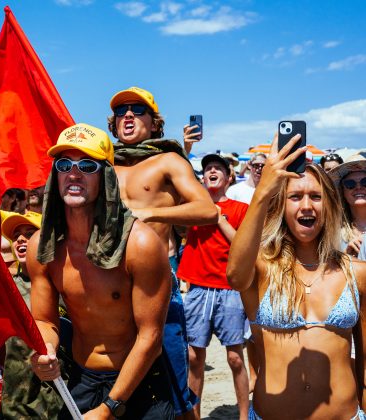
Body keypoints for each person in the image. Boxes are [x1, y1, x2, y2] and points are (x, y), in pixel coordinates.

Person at [29, 123, 174, 418]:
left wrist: (110, 407)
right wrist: (46, 349)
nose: (73, 173)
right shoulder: (42, 247)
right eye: (64, 164)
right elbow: (45, 319)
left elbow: (150, 337)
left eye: (86, 165)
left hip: (140, 382)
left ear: (106, 177)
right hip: (82, 379)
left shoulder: (141, 244)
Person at [227, 134, 366, 419]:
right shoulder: (262, 269)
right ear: (281, 206)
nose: (306, 206)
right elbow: (234, 277)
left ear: (329, 206)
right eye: (295, 196)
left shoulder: (356, 272)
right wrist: (263, 190)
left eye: (316, 196)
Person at [107, 86, 217, 418]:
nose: (128, 114)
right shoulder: (99, 163)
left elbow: (207, 210)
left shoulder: (167, 160)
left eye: (138, 110)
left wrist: (150, 215)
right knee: (112, 381)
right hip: (105, 283)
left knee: (174, 388)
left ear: (155, 124)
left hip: (155, 281)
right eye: (122, 110)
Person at [176, 154, 249, 419]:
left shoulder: (241, 208)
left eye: (218, 168)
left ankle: (244, 415)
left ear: (230, 177)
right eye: (208, 169)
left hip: (230, 289)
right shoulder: (193, 205)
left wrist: (218, 218)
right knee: (194, 359)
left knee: (235, 358)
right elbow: (179, 227)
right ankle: (193, 416)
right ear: (203, 177)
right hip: (197, 288)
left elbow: (242, 244)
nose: (212, 171)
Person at [0, 211, 66, 419]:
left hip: (61, 404)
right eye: (16, 235)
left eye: (29, 233)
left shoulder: (65, 286)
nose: (20, 239)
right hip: (15, 407)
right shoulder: (5, 290)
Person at [329, 156, 366, 258]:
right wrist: (344, 259)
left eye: (365, 182)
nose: (359, 187)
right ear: (342, 191)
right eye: (350, 184)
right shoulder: (332, 233)